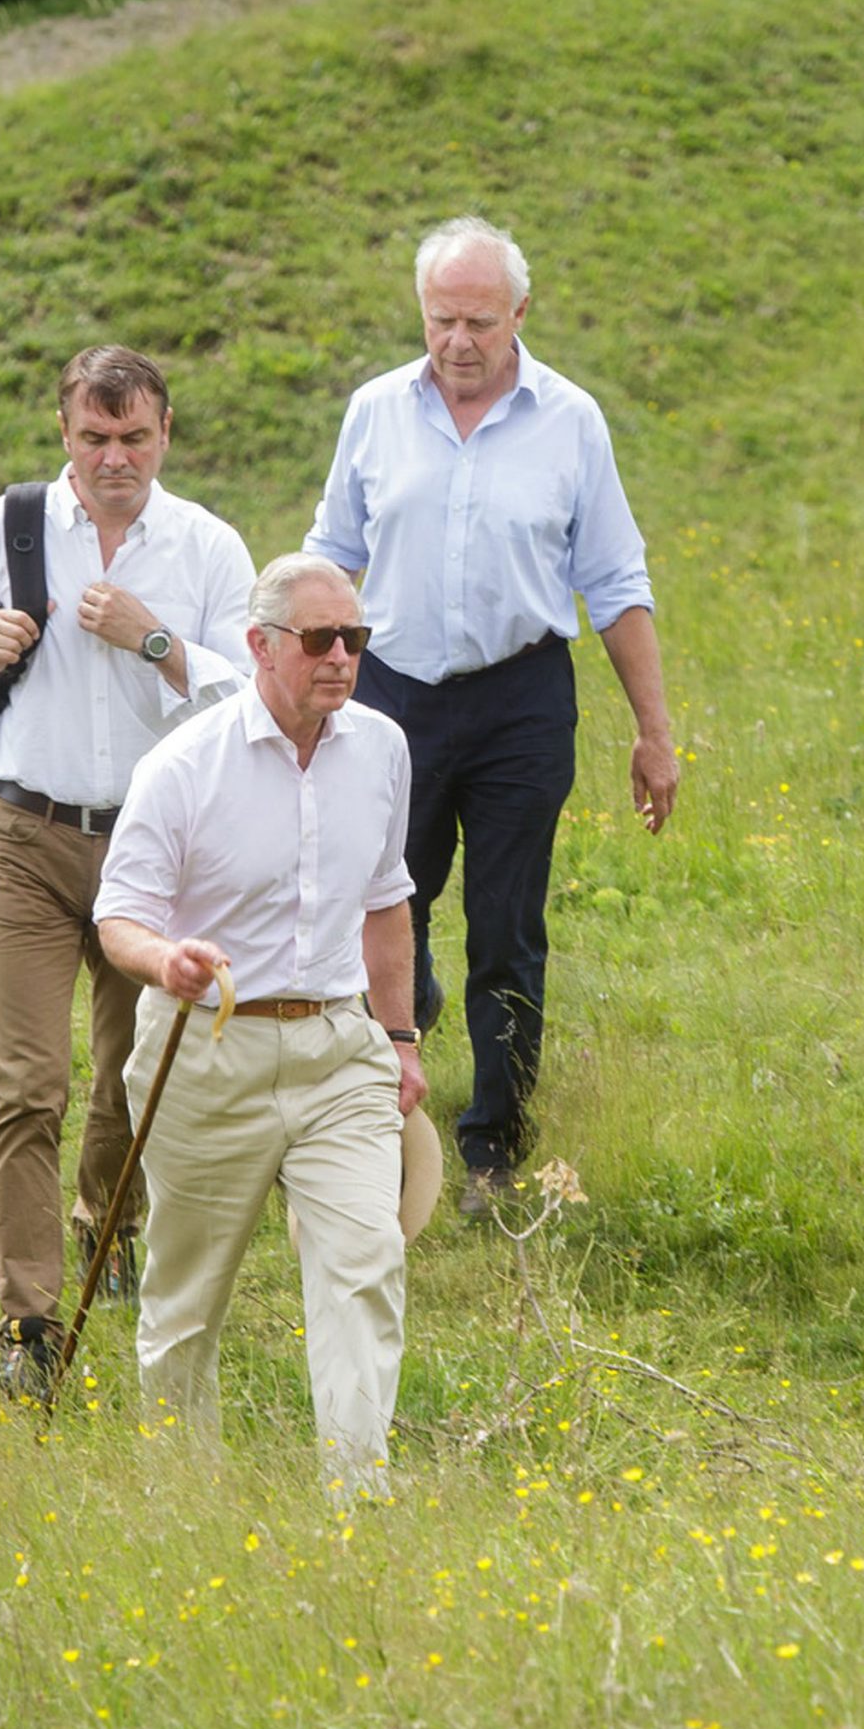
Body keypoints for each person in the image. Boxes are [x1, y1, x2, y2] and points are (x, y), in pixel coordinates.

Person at [304, 215, 678, 1219]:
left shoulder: (570, 421)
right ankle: (380, 1100)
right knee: (388, 910)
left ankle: (492, 1147)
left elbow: (615, 578)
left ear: (519, 313)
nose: (458, 342)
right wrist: (308, 684)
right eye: (439, 321)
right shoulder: (375, 412)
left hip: (520, 698)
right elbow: (330, 552)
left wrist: (653, 731)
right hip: (394, 698)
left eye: (477, 321)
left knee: (507, 927)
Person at [0, 347, 255, 1399]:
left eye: (134, 438)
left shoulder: (202, 544)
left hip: (152, 848)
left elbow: (250, 680)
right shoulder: (11, 526)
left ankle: (107, 1226)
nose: (115, 457)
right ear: (65, 435)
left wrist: (156, 642)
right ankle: (28, 1327)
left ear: (163, 436)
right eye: (95, 438)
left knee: (128, 1078)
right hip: (25, 838)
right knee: (27, 1085)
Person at [95, 553, 425, 1499]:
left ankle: (359, 1496)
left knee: (366, 1264)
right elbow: (119, 917)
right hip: (206, 1049)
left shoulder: (383, 749)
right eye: (320, 639)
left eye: (355, 639)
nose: (341, 657)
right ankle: (182, 1497)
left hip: (338, 1049)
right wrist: (170, 961)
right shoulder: (183, 767)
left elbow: (387, 902)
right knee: (187, 1299)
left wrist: (399, 1041)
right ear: (261, 646)